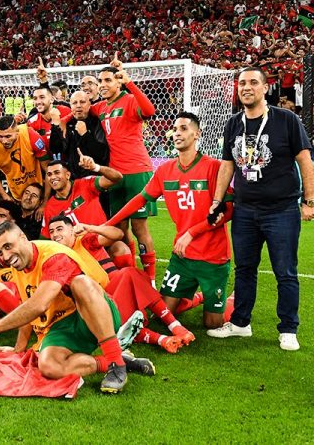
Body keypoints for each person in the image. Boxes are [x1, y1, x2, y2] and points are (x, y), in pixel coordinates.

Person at [0, 222, 153, 394]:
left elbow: (38, 305)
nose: (5, 256)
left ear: (22, 237)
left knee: (81, 283)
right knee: (49, 366)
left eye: (7, 246)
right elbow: (27, 306)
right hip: (60, 326)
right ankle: (113, 361)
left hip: (95, 315)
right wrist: (18, 348)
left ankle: (116, 362)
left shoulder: (55, 255)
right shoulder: (18, 265)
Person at [207, 67, 314, 351]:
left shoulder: (287, 120)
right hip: (244, 210)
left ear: (265, 88)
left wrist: (309, 200)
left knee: (285, 271)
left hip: (281, 210)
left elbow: (305, 160)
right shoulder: (233, 123)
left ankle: (288, 328)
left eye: (253, 82)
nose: (247, 87)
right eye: (242, 83)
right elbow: (228, 165)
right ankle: (241, 323)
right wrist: (217, 201)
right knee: (244, 269)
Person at [107, 112, 233, 330]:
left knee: (213, 325)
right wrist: (109, 224)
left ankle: (233, 299)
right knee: (163, 314)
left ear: (197, 134)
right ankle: (199, 297)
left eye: (183, 128)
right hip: (182, 257)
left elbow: (228, 210)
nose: (177, 133)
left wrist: (191, 232)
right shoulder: (165, 170)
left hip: (213, 257)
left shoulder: (213, 167)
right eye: (174, 129)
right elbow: (139, 200)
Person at [48, 215, 194, 354]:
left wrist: (91, 228)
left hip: (116, 292)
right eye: (51, 231)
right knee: (128, 279)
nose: (55, 234)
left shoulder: (84, 241)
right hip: (99, 305)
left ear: (72, 230)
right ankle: (166, 337)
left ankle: (173, 329)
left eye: (59, 229)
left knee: (127, 277)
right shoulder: (56, 259)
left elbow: (118, 234)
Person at [91, 57, 158, 280]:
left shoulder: (128, 100)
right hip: (115, 176)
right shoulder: (100, 107)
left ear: (118, 82)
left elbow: (149, 111)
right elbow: (78, 110)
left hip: (137, 171)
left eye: (108, 80)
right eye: (100, 80)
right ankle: (129, 273)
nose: (103, 84)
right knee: (119, 230)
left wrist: (130, 82)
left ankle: (150, 279)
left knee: (140, 228)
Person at [41, 157, 122, 237]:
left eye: (57, 172)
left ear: (68, 175)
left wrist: (96, 167)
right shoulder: (49, 207)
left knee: (120, 248)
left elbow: (116, 178)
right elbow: (45, 238)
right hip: (77, 247)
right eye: (49, 174)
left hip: (100, 239)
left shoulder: (85, 184)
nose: (52, 177)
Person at [0, 115, 49, 202]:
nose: (4, 141)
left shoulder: (30, 135)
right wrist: (4, 196)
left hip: (38, 190)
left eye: (8, 136)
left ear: (17, 132)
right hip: (15, 193)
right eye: (0, 136)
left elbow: (48, 170)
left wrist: (45, 201)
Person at [50, 90, 110, 179]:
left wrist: (85, 135)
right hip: (74, 180)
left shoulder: (97, 122)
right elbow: (56, 149)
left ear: (89, 104)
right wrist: (55, 125)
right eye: (74, 103)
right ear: (70, 106)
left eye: (82, 102)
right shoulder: (67, 124)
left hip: (95, 179)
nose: (78, 105)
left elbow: (103, 155)